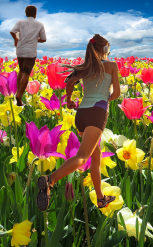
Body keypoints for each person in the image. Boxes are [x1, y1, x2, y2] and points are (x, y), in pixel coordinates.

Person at [36, 34, 121, 211]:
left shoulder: (83, 68)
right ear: (105, 50)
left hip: (81, 114)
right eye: (108, 49)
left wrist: (68, 100)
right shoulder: (112, 66)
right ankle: (50, 180)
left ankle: (101, 198)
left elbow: (69, 83)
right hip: (97, 113)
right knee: (82, 157)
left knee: (95, 157)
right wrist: (106, 98)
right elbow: (116, 94)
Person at [10, 5, 46, 106]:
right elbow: (43, 39)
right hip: (30, 52)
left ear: (26, 13)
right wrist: (35, 39)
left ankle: (18, 91)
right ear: (35, 14)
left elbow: (12, 32)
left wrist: (16, 39)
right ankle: (19, 95)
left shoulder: (20, 22)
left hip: (20, 50)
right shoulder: (39, 24)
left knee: (21, 70)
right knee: (26, 72)